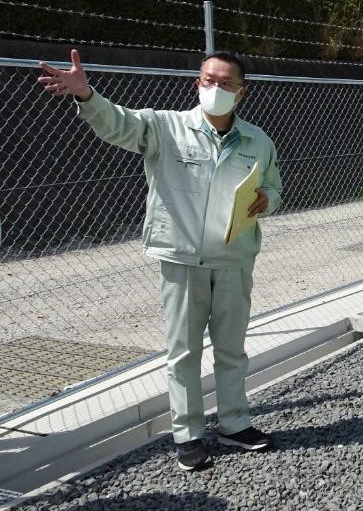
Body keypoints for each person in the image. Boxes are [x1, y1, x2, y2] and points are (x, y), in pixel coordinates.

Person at [38, 49, 282, 471]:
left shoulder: (258, 140)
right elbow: (118, 124)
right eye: (209, 79)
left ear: (242, 92)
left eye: (226, 83)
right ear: (197, 83)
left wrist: (266, 200)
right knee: (183, 351)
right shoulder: (165, 127)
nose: (216, 88)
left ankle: (234, 423)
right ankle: (188, 434)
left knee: (231, 349)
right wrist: (86, 95)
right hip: (181, 259)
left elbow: (274, 187)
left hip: (234, 259)